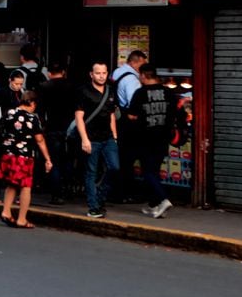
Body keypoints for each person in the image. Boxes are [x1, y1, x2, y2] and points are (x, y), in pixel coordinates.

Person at [0, 90, 52, 229]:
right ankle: (21, 219)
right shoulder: (32, 118)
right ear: (32, 103)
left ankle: (6, 211)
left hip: (7, 154)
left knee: (11, 184)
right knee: (26, 187)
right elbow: (39, 140)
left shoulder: (9, 113)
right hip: (23, 156)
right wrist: (47, 158)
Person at [129, 64, 179, 219]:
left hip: (145, 138)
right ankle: (154, 205)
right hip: (163, 138)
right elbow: (175, 113)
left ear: (144, 75)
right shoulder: (169, 92)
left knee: (148, 171)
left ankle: (163, 199)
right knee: (155, 170)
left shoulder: (140, 93)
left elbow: (131, 115)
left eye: (140, 75)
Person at [75, 61, 120, 219]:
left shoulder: (110, 91)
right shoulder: (83, 91)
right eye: (98, 73)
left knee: (115, 168)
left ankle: (100, 196)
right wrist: (84, 139)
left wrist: (115, 136)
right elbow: (79, 117)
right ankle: (93, 207)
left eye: (104, 73)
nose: (101, 76)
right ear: (91, 74)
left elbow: (111, 115)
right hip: (91, 138)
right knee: (91, 172)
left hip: (108, 137)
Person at [37, 62, 77, 204]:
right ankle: (69, 189)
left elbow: (40, 110)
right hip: (70, 127)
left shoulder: (44, 87)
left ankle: (57, 194)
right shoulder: (72, 86)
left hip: (52, 127)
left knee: (53, 160)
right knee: (68, 159)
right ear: (63, 72)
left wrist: (42, 126)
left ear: (49, 73)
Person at [112, 50, 148, 203]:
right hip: (129, 123)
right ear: (135, 62)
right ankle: (126, 192)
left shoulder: (117, 72)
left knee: (121, 156)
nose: (144, 68)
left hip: (118, 120)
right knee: (129, 158)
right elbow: (134, 103)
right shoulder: (132, 80)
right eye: (143, 64)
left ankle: (118, 191)